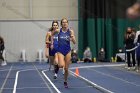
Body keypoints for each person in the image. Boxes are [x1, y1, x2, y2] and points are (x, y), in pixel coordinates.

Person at [54, 18, 76, 88]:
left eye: (66, 22)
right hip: (60, 51)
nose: (64, 23)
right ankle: (58, 64)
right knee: (61, 65)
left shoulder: (70, 31)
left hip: (67, 51)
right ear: (61, 24)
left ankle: (65, 81)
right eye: (63, 22)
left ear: (67, 23)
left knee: (66, 69)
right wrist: (51, 42)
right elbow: (51, 34)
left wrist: (72, 37)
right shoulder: (58, 31)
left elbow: (74, 42)